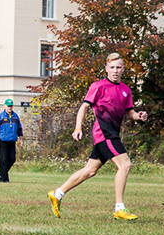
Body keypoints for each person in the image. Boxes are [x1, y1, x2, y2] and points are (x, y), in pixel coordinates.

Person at [47, 53, 148, 221]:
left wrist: (139, 116)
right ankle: (119, 208)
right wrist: (78, 127)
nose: (115, 71)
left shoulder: (125, 90)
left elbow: (129, 112)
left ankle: (57, 193)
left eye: (118, 67)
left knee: (90, 171)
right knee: (125, 165)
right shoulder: (98, 86)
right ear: (106, 69)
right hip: (104, 133)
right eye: (112, 68)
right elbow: (84, 107)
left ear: (123, 69)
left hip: (113, 133)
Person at [0, 99, 23, 182]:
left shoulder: (15, 116)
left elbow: (19, 128)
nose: (10, 107)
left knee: (12, 159)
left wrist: (21, 139)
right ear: (4, 106)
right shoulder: (0, 116)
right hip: (2, 140)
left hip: (12, 140)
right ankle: (5, 178)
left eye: (11, 106)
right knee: (3, 160)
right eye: (8, 106)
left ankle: (1, 173)